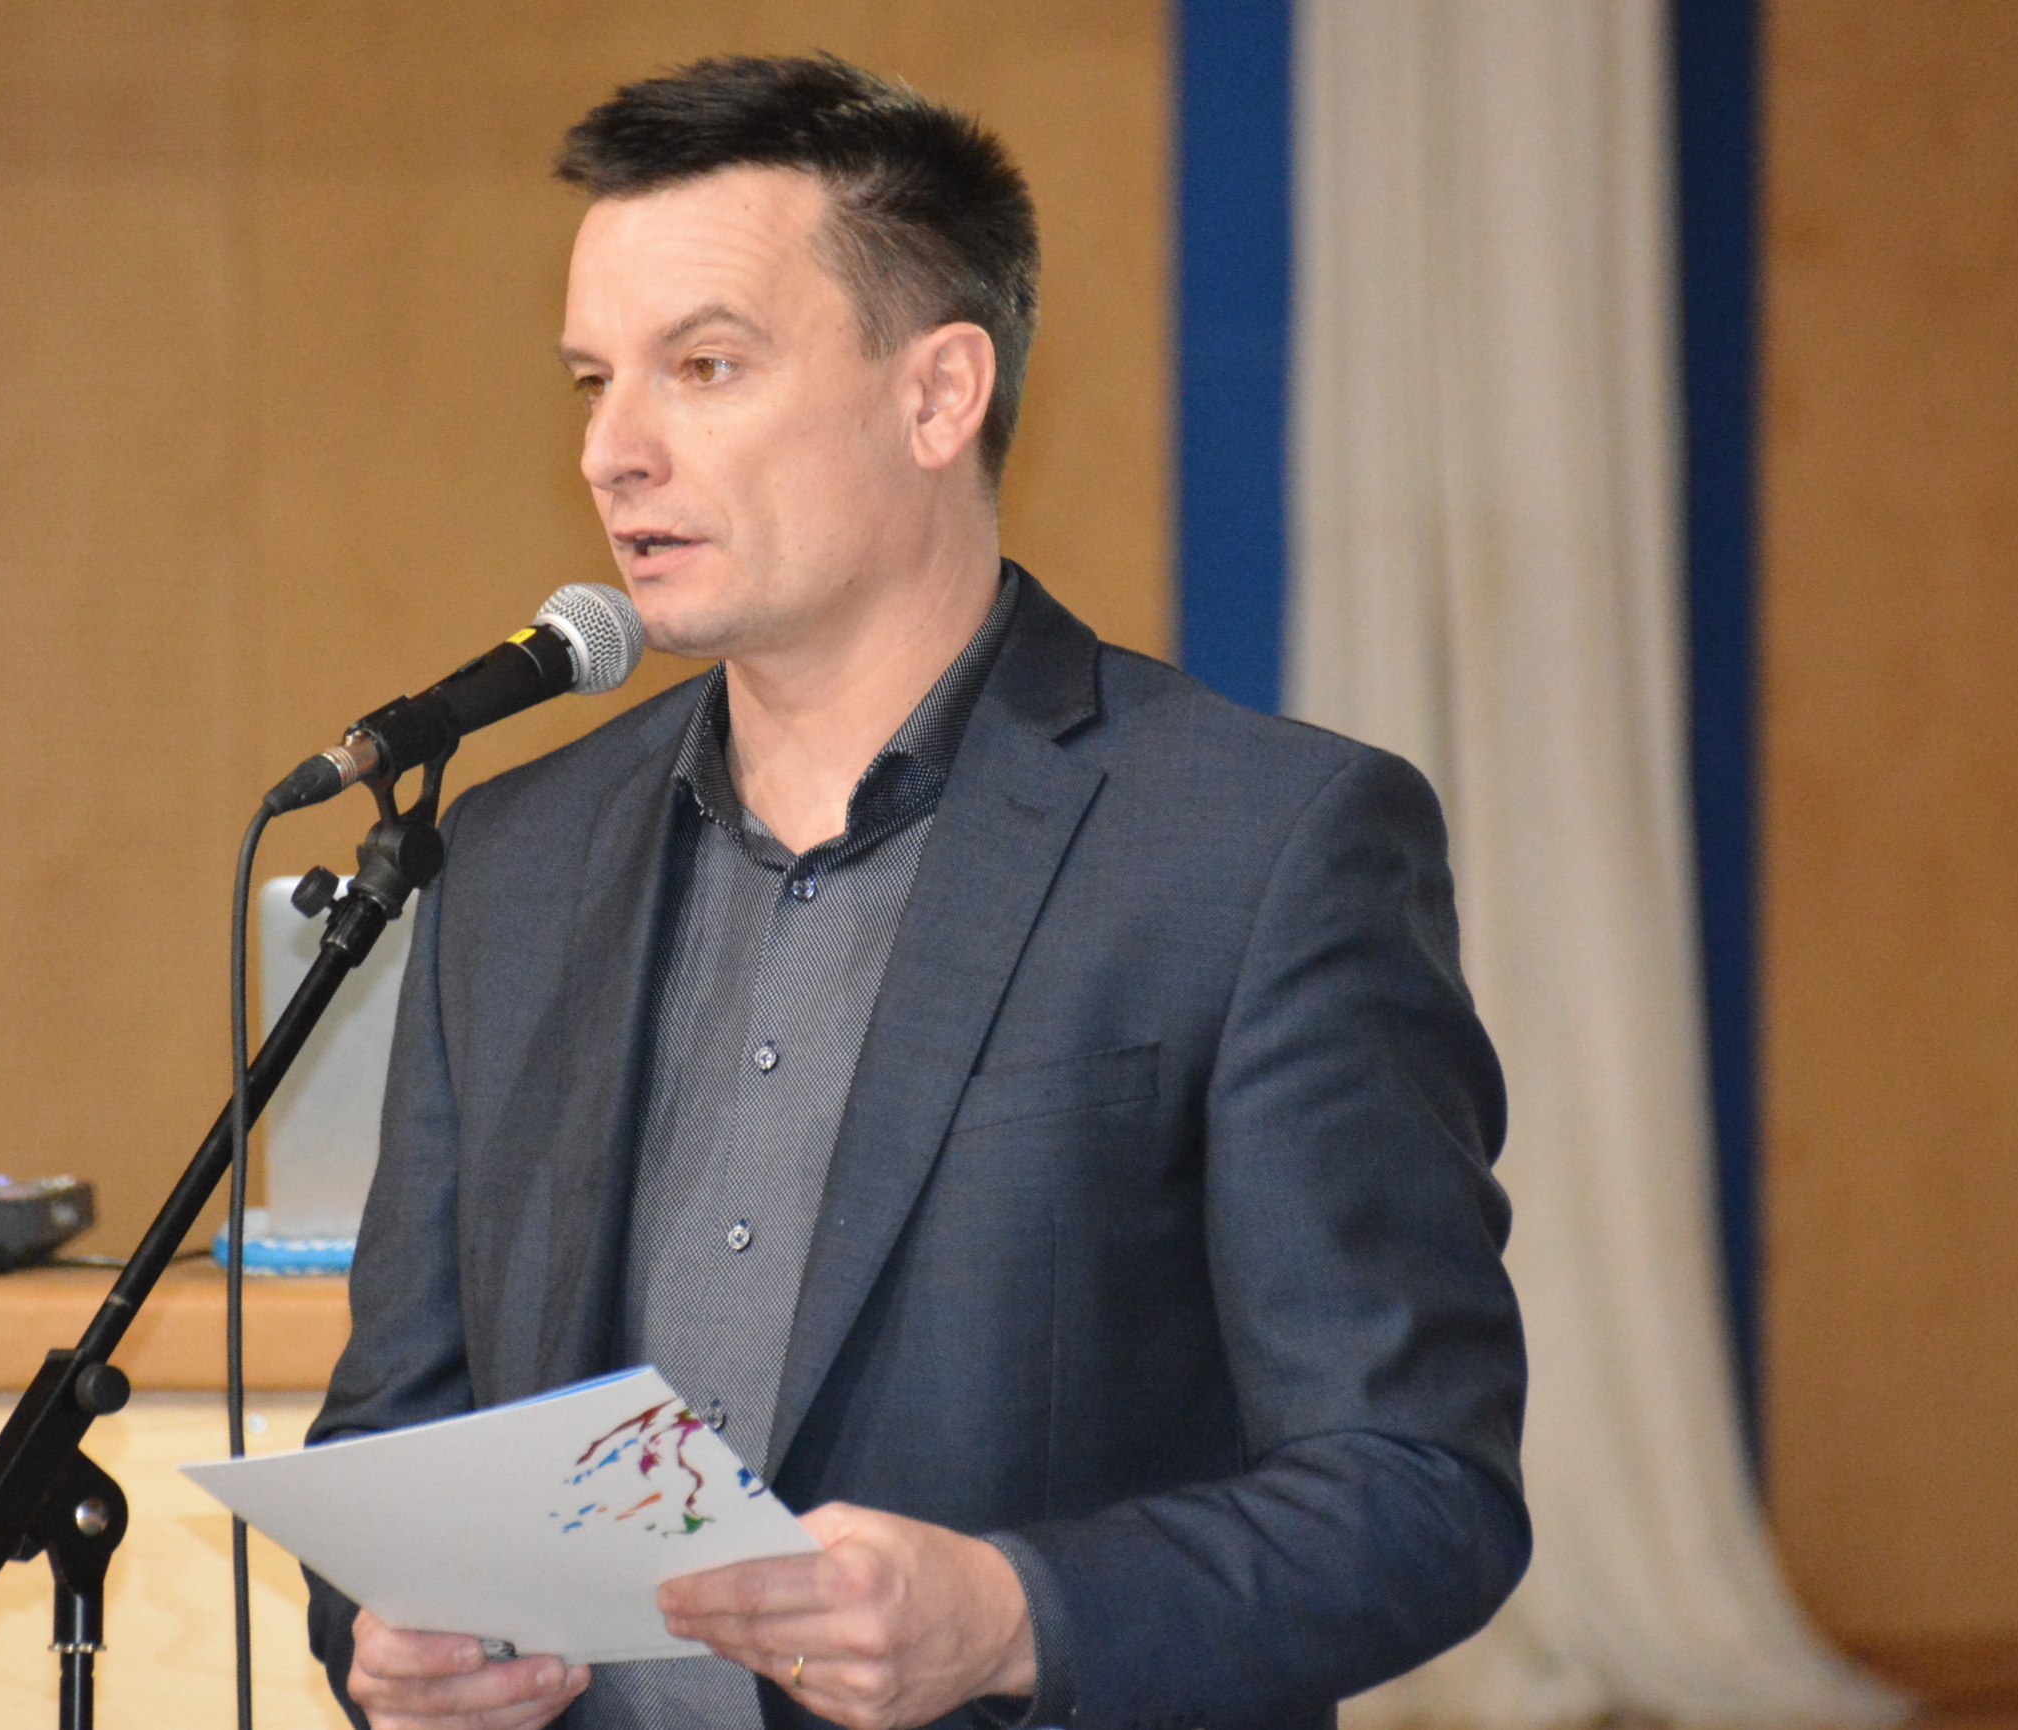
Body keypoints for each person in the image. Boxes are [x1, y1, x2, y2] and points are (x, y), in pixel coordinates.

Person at [305, 53, 1528, 1730]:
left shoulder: (1259, 848)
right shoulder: (513, 862)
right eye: (592, 380)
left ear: (939, 394)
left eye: (704, 367)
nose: (613, 450)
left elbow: (1419, 1487)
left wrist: (1018, 1614)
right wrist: (388, 1644)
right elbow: (395, 1436)